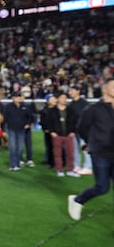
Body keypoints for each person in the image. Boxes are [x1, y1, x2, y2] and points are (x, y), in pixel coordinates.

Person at [68, 78, 114, 220]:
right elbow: (82, 128)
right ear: (105, 89)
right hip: (100, 153)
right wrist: (93, 142)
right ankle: (77, 200)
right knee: (102, 187)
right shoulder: (93, 109)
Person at [48, 92, 81, 178]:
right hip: (57, 135)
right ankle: (59, 170)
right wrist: (52, 132)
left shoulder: (71, 110)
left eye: (65, 98)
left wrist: (73, 131)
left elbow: (75, 122)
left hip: (68, 135)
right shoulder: (52, 111)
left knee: (70, 153)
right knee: (57, 153)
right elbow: (49, 122)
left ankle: (70, 170)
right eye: (62, 98)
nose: (64, 100)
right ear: (58, 99)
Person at [2, 91, 35, 171]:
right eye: (17, 97)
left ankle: (18, 163)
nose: (18, 98)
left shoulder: (25, 106)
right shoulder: (8, 107)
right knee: (13, 147)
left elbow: (31, 117)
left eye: (19, 97)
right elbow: (4, 119)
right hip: (11, 129)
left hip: (21, 130)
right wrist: (3, 130)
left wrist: (28, 123)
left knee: (19, 147)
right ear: (13, 98)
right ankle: (13, 164)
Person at [68, 84, 91, 175]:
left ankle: (87, 167)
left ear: (78, 91)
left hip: (84, 130)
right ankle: (76, 165)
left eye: (72, 90)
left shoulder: (84, 103)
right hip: (74, 130)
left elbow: (88, 117)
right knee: (75, 149)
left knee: (85, 148)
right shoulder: (71, 104)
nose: (70, 92)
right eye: (70, 91)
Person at [38, 94, 57, 169]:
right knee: (50, 147)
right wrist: (44, 128)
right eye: (52, 99)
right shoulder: (44, 110)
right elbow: (42, 121)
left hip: (57, 131)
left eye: (54, 98)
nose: (54, 100)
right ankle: (51, 162)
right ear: (48, 101)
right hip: (48, 131)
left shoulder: (58, 109)